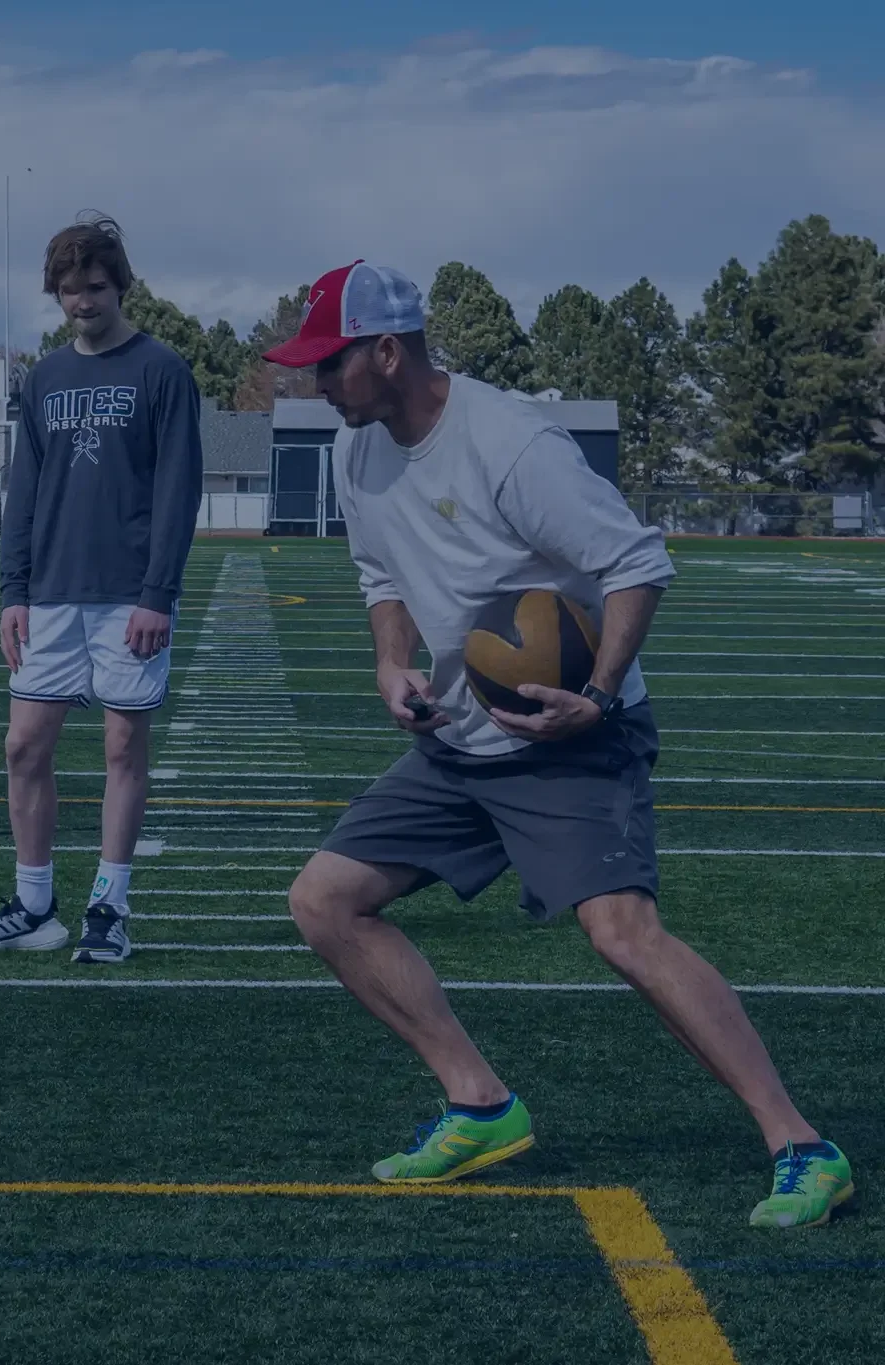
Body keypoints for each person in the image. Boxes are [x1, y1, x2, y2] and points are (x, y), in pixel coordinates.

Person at [262, 260, 853, 1228]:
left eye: (327, 365)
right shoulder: (355, 449)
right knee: (325, 901)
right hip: (458, 737)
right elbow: (380, 572)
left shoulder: (510, 442)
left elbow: (636, 562)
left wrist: (597, 694)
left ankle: (802, 1146)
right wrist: (391, 665)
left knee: (621, 935)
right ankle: (479, 1103)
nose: (314, 385)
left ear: (386, 350)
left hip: (568, 736)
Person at [0, 215, 202, 964]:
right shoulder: (47, 377)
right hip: (49, 593)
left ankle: (109, 908)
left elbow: (179, 491)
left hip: (129, 593)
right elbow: (23, 492)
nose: (82, 301)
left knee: (124, 745)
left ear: (121, 284)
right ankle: (33, 904)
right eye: (67, 290)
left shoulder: (163, 371)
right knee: (24, 745)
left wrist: (159, 591)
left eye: (93, 286)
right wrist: (10, 589)